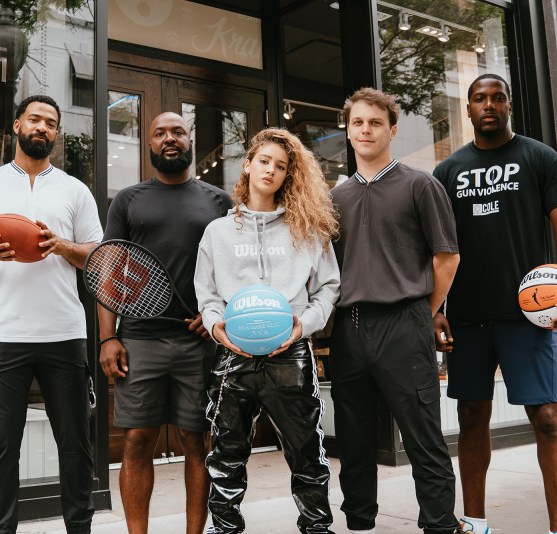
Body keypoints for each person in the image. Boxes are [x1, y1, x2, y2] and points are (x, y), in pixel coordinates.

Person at [432, 74, 557, 534]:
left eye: (498, 97)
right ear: (467, 109)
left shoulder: (539, 157)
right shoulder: (447, 172)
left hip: (529, 317)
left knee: (548, 417)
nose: (489, 104)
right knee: (471, 418)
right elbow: (435, 249)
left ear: (510, 105)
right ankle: (477, 523)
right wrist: (435, 307)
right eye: (479, 98)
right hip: (467, 317)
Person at [0, 95, 102, 534]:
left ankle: (80, 529)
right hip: (3, 334)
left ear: (56, 134)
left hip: (64, 332)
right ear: (17, 125)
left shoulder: (75, 191)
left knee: (76, 447)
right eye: (34, 119)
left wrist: (63, 246)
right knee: (0, 448)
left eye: (51, 123)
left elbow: (97, 256)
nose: (42, 127)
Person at [194, 128, 340, 534]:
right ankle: (224, 529)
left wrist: (303, 326)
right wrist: (215, 326)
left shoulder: (306, 229)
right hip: (233, 355)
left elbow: (328, 289)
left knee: (307, 451)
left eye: (281, 166)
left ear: (288, 175)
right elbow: (206, 295)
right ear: (248, 164)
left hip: (289, 354)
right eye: (264, 161)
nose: (271, 171)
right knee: (226, 454)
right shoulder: (218, 232)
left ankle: (316, 528)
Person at [329, 88, 461, 534]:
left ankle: (440, 526)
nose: (365, 130)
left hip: (404, 324)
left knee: (423, 438)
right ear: (347, 131)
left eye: (375, 123)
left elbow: (447, 258)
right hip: (350, 328)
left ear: (392, 130)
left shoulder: (419, 184)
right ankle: (360, 524)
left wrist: (424, 311)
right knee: (354, 441)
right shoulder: (336, 196)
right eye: (358, 123)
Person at [98, 112, 232, 534]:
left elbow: (235, 270)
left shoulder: (219, 202)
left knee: (198, 442)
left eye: (177, 131)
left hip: (200, 344)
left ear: (189, 139)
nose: (169, 138)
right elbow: (108, 270)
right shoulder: (128, 200)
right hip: (139, 340)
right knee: (138, 441)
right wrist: (108, 337)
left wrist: (217, 315)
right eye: (160, 133)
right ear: (149, 144)